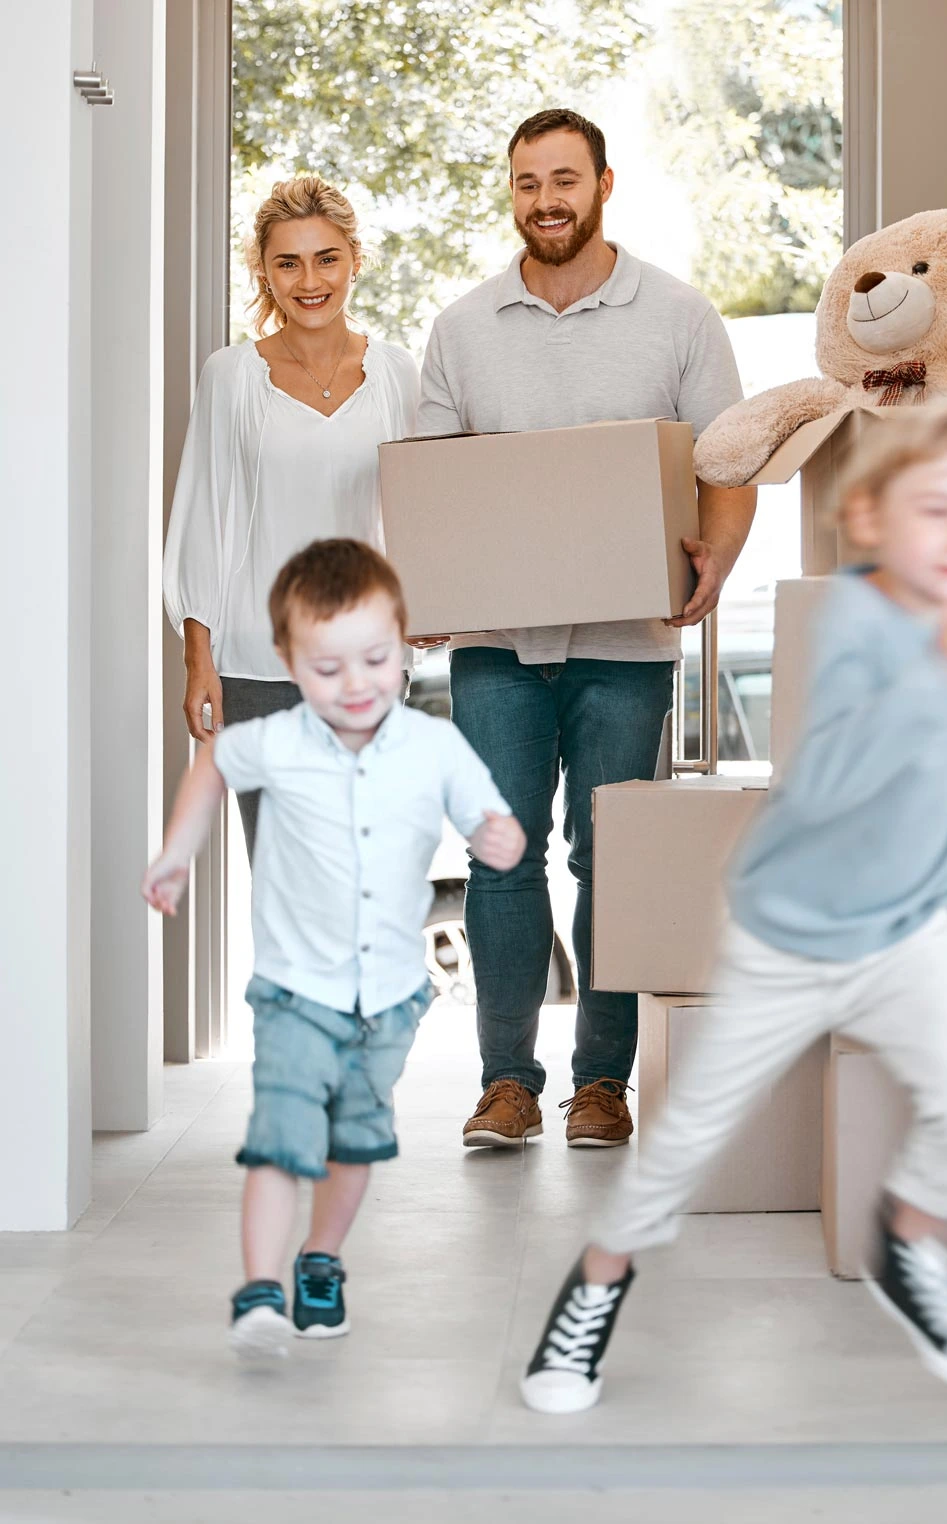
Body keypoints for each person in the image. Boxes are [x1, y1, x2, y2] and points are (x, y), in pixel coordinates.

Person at [520, 394, 947, 1414]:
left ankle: (909, 1248)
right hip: (789, 934)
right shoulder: (854, 619)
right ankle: (594, 1287)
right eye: (938, 514)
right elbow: (837, 775)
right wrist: (943, 679)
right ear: (874, 521)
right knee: (687, 1142)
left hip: (910, 932)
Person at [415, 108, 758, 1151]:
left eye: (565, 179)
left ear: (606, 183)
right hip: (498, 649)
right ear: (510, 190)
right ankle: (506, 1086)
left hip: (627, 643)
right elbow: (435, 489)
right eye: (528, 183)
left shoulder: (679, 316)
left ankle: (601, 1083)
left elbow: (729, 461)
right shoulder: (464, 329)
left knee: (612, 862)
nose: (547, 201)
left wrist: (719, 556)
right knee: (500, 860)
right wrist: (431, 582)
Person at [142, 540, 525, 1359]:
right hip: (292, 991)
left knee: (354, 1142)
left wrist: (500, 837)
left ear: (404, 642)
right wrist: (178, 851)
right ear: (287, 663)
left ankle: (321, 1261)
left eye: (376, 661)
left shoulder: (434, 748)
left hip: (386, 1002)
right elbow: (214, 763)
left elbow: (491, 819)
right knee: (282, 1135)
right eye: (327, 669)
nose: (355, 686)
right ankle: (257, 1290)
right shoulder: (277, 739)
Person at [163, 175, 420, 861]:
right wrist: (198, 659)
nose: (310, 280)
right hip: (255, 663)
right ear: (264, 273)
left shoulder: (399, 374)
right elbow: (201, 518)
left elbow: (419, 513)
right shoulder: (231, 376)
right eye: (288, 262)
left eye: (326, 257)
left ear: (355, 260)